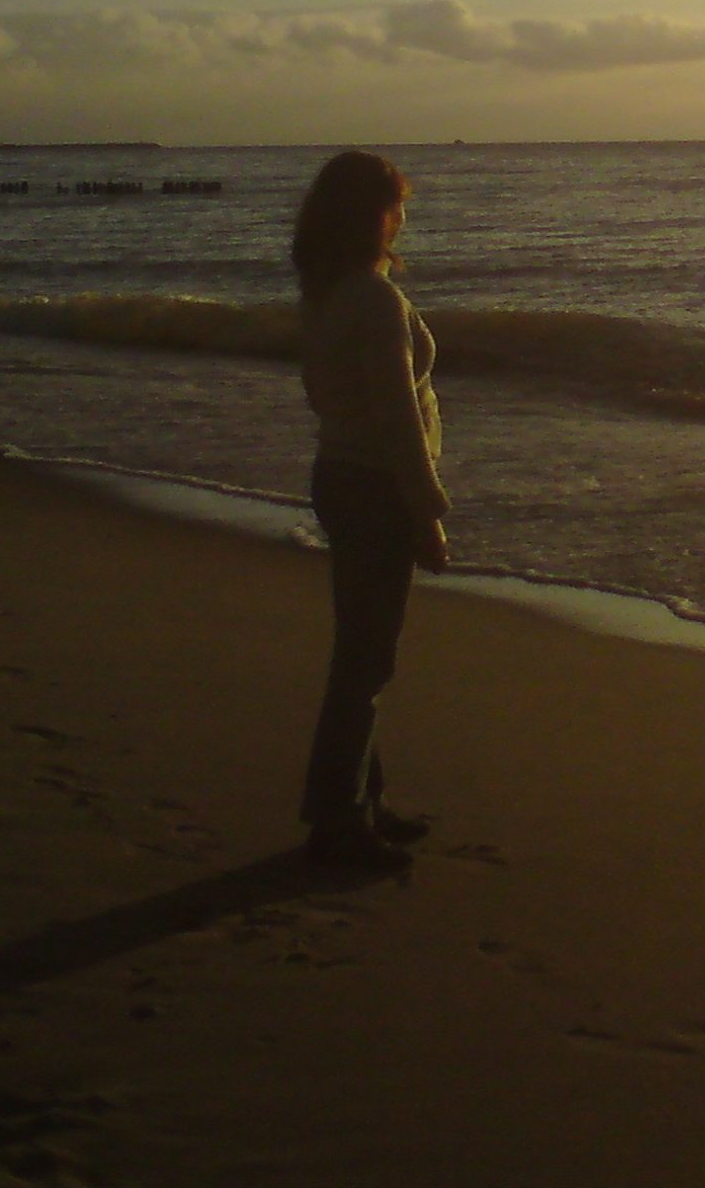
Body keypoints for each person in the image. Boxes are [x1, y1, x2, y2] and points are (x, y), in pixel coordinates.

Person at [291, 149, 451, 870]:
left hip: (341, 473)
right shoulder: (372, 300)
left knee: (361, 649)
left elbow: (327, 395)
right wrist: (428, 513)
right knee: (366, 660)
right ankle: (335, 819)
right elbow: (398, 421)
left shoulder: (326, 293)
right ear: (373, 216)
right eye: (397, 204)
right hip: (373, 485)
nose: (404, 217)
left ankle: (364, 801)